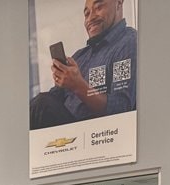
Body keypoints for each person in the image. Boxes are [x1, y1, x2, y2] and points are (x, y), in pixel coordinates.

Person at [30, 0, 137, 130]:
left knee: (42, 104)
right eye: (86, 14)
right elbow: (52, 99)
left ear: (119, 3)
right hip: (64, 139)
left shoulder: (128, 43)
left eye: (99, 7)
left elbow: (121, 109)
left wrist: (78, 86)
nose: (90, 18)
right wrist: (62, 78)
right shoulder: (80, 56)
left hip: (100, 138)